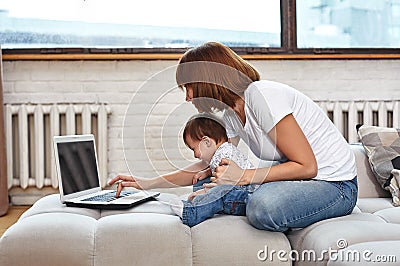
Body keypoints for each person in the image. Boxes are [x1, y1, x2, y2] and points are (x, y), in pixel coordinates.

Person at [109, 41, 358, 232]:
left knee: (263, 207)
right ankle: (220, 199)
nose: (187, 97)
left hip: (335, 186)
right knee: (204, 182)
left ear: (206, 80)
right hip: (300, 183)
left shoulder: (262, 96)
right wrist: (147, 183)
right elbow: (207, 164)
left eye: (188, 87)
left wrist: (242, 177)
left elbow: (308, 166)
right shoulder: (230, 113)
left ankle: (222, 201)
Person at [176, 113, 258, 227]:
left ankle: (191, 213)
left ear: (207, 142)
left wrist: (204, 192)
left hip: (245, 197)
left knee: (220, 191)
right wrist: (207, 172)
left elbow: (225, 184)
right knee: (202, 181)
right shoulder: (224, 151)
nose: (195, 155)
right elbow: (222, 174)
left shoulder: (222, 156)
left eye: (194, 149)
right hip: (242, 194)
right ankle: (200, 202)